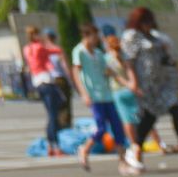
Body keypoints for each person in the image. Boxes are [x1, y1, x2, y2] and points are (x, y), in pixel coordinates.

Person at [119, 7, 178, 174]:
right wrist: (134, 82)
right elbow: (129, 61)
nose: (148, 25)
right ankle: (135, 149)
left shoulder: (155, 36)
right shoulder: (131, 36)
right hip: (147, 85)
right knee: (149, 117)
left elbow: (169, 56)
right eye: (145, 21)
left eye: (150, 21)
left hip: (166, 83)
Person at [74, 24, 129, 171]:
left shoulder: (98, 54)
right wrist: (84, 94)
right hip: (94, 96)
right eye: (94, 36)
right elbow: (76, 74)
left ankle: (123, 161)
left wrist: (128, 84)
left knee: (118, 128)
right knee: (101, 128)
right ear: (86, 36)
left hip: (107, 95)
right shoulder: (79, 51)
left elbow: (109, 72)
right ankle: (84, 150)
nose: (97, 39)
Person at [23, 26, 69, 157]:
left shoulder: (27, 49)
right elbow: (55, 50)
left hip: (37, 82)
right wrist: (48, 43)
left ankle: (51, 144)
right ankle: (54, 145)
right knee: (54, 115)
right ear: (35, 35)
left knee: (51, 114)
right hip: (46, 81)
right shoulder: (39, 47)